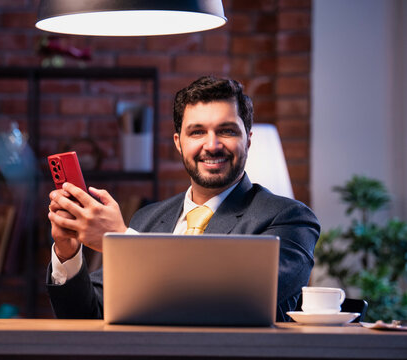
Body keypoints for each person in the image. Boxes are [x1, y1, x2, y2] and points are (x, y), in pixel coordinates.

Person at [46, 75, 320, 322]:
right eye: (197, 132)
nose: (211, 145)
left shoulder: (290, 219)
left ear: (248, 140)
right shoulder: (147, 219)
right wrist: (68, 253)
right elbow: (89, 316)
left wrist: (123, 241)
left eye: (226, 131)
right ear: (179, 142)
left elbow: (240, 298)